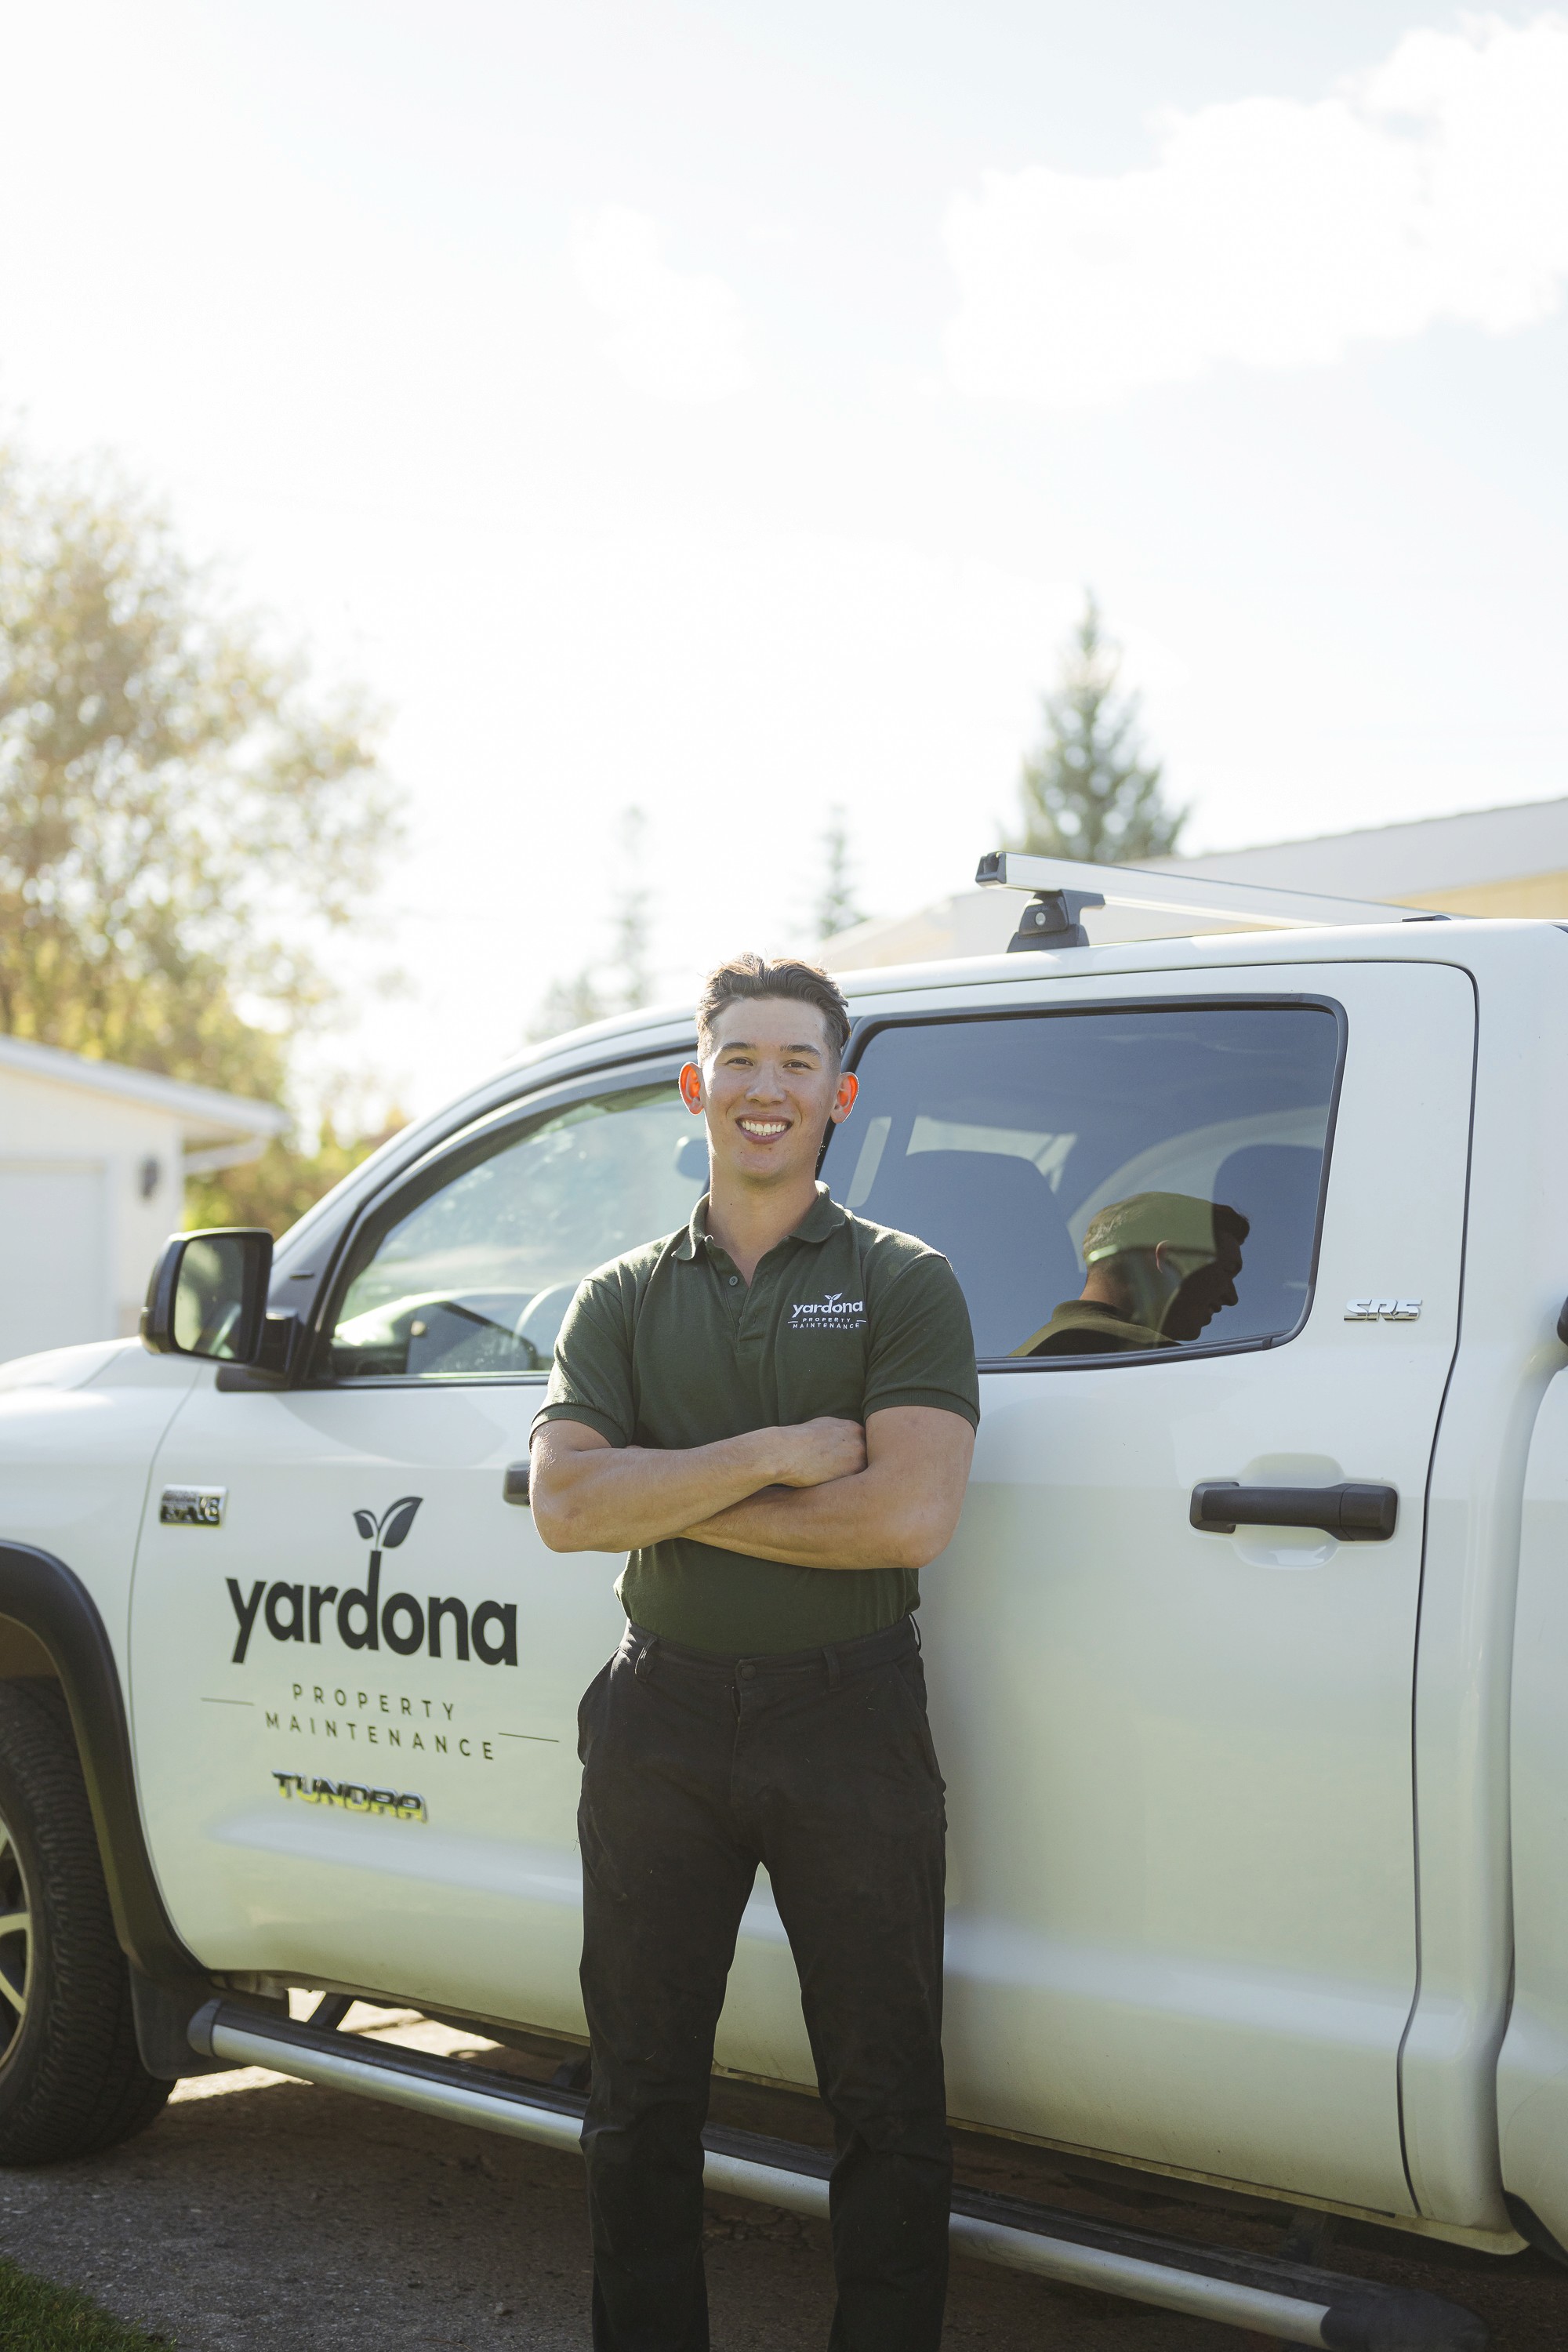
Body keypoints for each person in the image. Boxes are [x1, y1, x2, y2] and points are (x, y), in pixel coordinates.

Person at [528, 953, 978, 2352]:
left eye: (796, 1063)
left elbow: (907, 1514)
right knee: (640, 2095)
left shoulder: (906, 1283)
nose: (766, 1088)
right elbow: (562, 1508)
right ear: (695, 1086)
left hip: (848, 1720)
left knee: (886, 2096)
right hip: (656, 1724)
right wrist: (780, 1459)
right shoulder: (616, 1296)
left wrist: (667, 1490)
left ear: (837, 1094)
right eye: (740, 1061)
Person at [1016, 1190, 1249, 1356]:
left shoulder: (1022, 1355)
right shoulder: (1153, 1359)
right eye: (1227, 1271)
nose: (1232, 1298)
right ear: (1169, 1259)